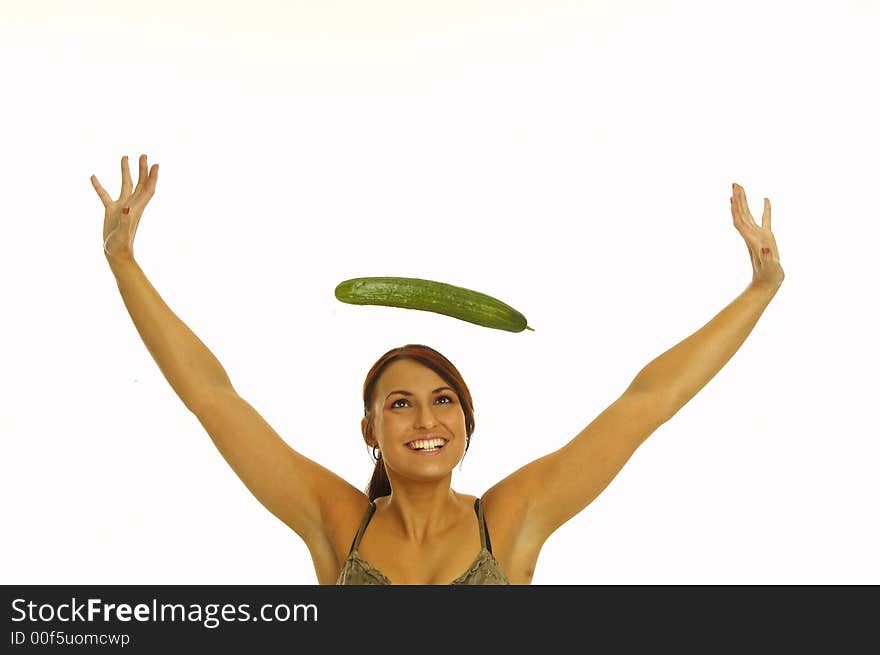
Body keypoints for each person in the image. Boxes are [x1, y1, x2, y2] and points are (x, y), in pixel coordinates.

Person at [92, 154, 785, 585]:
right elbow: (213, 398)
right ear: (369, 428)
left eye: (443, 399)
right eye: (399, 404)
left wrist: (757, 292)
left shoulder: (509, 520)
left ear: (466, 422)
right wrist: (124, 264)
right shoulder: (338, 523)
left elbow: (646, 403)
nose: (426, 418)